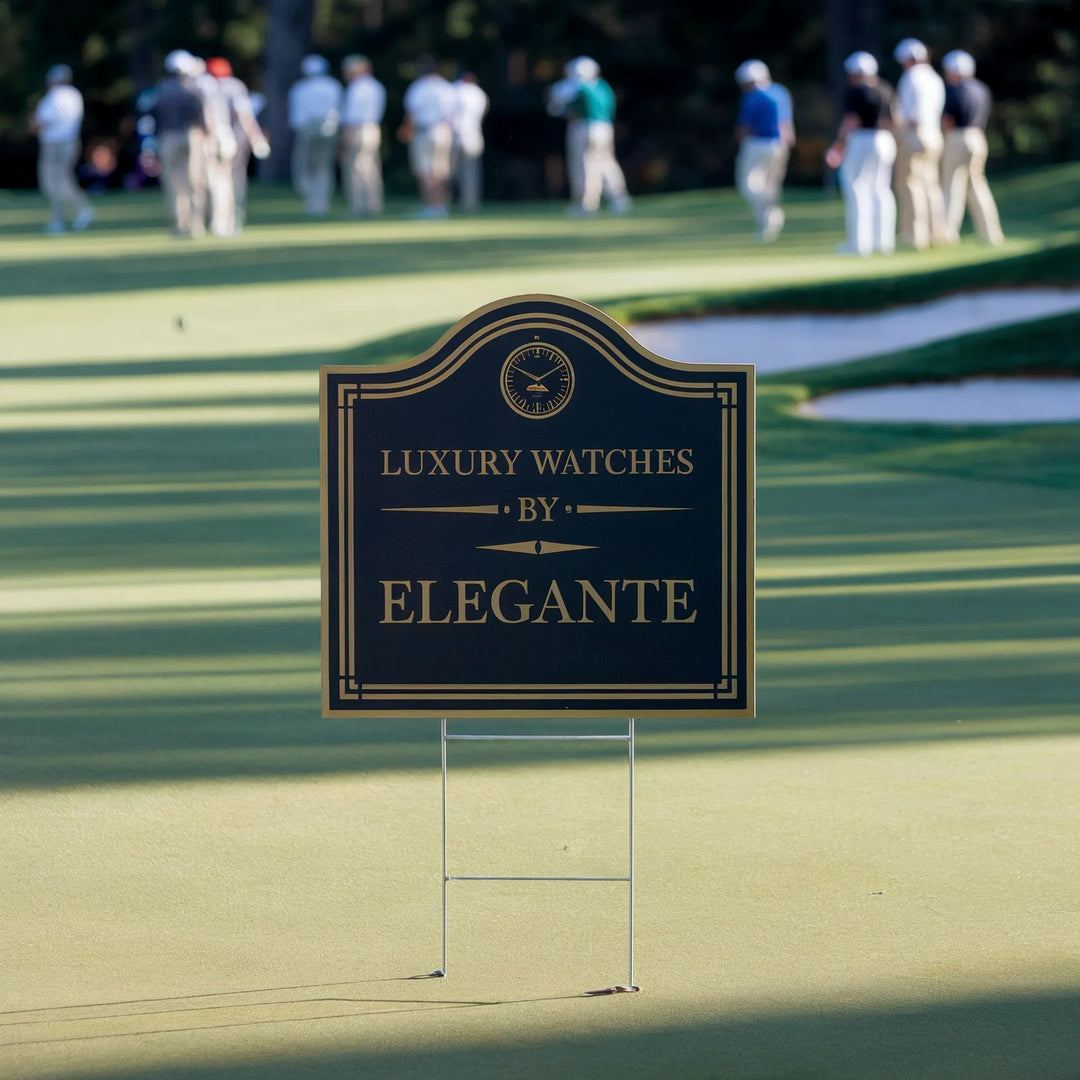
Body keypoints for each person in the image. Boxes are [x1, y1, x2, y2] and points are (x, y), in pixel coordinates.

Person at [826, 51, 897, 256]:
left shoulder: (856, 91)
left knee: (857, 190)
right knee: (881, 190)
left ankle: (858, 245)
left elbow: (851, 121)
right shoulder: (886, 88)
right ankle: (884, 243)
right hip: (885, 140)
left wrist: (839, 144)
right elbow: (893, 118)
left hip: (862, 140)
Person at [940, 50, 1004, 246]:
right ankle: (990, 233)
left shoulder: (953, 89)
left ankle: (947, 234)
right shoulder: (982, 88)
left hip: (958, 137)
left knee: (952, 185)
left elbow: (947, 120)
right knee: (977, 185)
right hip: (978, 137)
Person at [893, 38, 947, 249]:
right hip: (934, 134)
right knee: (931, 185)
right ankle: (938, 233)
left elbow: (908, 114)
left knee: (911, 185)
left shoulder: (911, 77)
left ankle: (916, 236)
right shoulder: (935, 78)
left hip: (916, 134)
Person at [733, 59, 794, 242]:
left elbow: (744, 127)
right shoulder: (781, 91)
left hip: (757, 144)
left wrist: (739, 142)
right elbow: (787, 124)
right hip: (780, 145)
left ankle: (768, 217)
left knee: (749, 186)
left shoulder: (753, 96)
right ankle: (768, 224)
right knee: (771, 186)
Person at [152, 50, 211, 237]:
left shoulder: (161, 89)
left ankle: (180, 224)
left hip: (168, 137)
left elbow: (154, 115)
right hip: (192, 136)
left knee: (174, 183)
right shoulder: (194, 87)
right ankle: (196, 224)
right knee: (195, 181)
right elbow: (203, 116)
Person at [207, 57, 269, 233]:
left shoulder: (206, 86)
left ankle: (219, 220)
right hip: (235, 139)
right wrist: (256, 137)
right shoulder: (235, 86)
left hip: (215, 139)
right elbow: (245, 115)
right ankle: (233, 218)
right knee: (235, 179)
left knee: (218, 180)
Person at [31, 64, 93, 233]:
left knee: (53, 182)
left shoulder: (54, 97)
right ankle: (64, 217)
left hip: (55, 144)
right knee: (60, 180)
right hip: (70, 142)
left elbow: (42, 121)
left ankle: (76, 211)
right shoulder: (74, 95)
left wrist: (34, 123)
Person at [566, 57, 631, 215]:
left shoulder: (581, 88)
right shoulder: (603, 87)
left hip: (585, 129)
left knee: (585, 166)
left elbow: (568, 109)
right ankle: (619, 198)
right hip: (605, 129)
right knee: (607, 164)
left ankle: (587, 204)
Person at [401, 58, 456, 218]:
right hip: (443, 131)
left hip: (424, 131)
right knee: (440, 171)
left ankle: (430, 207)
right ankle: (441, 207)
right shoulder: (446, 86)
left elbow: (412, 112)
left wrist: (407, 130)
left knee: (425, 172)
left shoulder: (419, 87)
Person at [288, 54, 342, 215]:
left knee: (305, 165)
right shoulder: (333, 86)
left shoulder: (300, 88)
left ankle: (311, 201)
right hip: (329, 128)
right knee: (323, 166)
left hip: (308, 129)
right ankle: (321, 202)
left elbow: (296, 114)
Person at [339, 55, 386, 216]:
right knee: (371, 168)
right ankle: (373, 205)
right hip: (373, 129)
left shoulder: (356, 88)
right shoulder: (376, 86)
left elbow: (352, 118)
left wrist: (344, 142)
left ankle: (358, 207)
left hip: (358, 130)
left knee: (355, 169)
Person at [450, 71, 489, 212]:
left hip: (456, 135)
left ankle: (447, 202)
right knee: (471, 174)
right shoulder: (479, 93)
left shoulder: (455, 90)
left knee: (450, 172)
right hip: (474, 135)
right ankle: (469, 204)